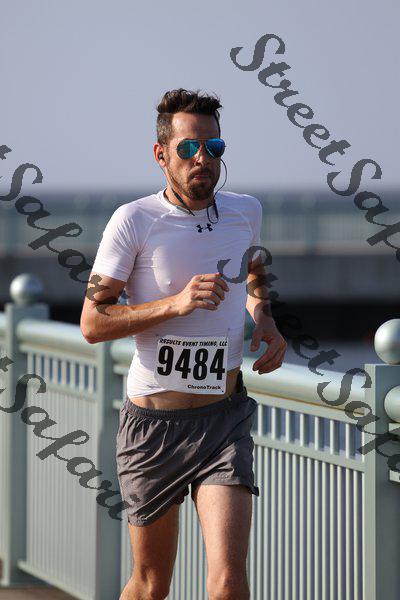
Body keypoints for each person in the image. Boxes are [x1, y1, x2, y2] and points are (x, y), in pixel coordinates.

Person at [80, 88, 287, 600]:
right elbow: (93, 320)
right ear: (161, 154)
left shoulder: (246, 211)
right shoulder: (134, 220)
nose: (203, 160)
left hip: (224, 420)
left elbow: (255, 267)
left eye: (214, 148)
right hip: (154, 425)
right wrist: (174, 304)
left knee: (229, 581)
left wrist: (263, 316)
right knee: (152, 584)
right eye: (189, 148)